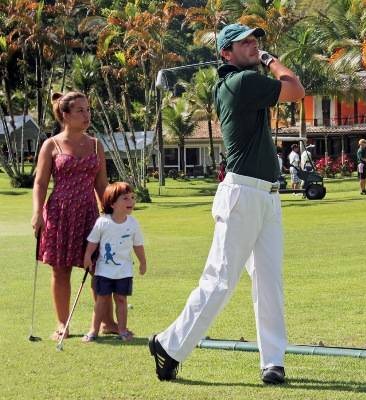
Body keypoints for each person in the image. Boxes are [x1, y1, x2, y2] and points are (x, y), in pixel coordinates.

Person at [148, 23, 305, 385]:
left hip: (265, 195)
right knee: (219, 281)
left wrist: (259, 57)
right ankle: (169, 346)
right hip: (243, 194)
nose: (254, 45)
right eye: (245, 42)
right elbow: (296, 89)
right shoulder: (241, 82)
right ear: (226, 54)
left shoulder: (240, 82)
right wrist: (269, 59)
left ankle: (273, 361)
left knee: (269, 282)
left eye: (256, 41)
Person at [31, 91, 117, 340]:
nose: (86, 114)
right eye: (80, 110)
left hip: (90, 214)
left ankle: (107, 322)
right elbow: (40, 183)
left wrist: (110, 215)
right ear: (65, 115)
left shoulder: (96, 145)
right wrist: (37, 213)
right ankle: (62, 323)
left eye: (88, 109)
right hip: (59, 214)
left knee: (99, 268)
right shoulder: (52, 145)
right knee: (60, 270)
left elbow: (102, 185)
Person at [82, 182, 146, 342]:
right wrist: (87, 256)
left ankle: (122, 330)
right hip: (104, 271)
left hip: (124, 272)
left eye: (132, 197)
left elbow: (138, 245)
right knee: (102, 300)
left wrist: (143, 262)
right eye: (125, 198)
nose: (131, 201)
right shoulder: (103, 222)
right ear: (112, 203)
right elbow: (92, 242)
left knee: (121, 300)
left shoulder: (133, 224)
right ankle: (93, 330)